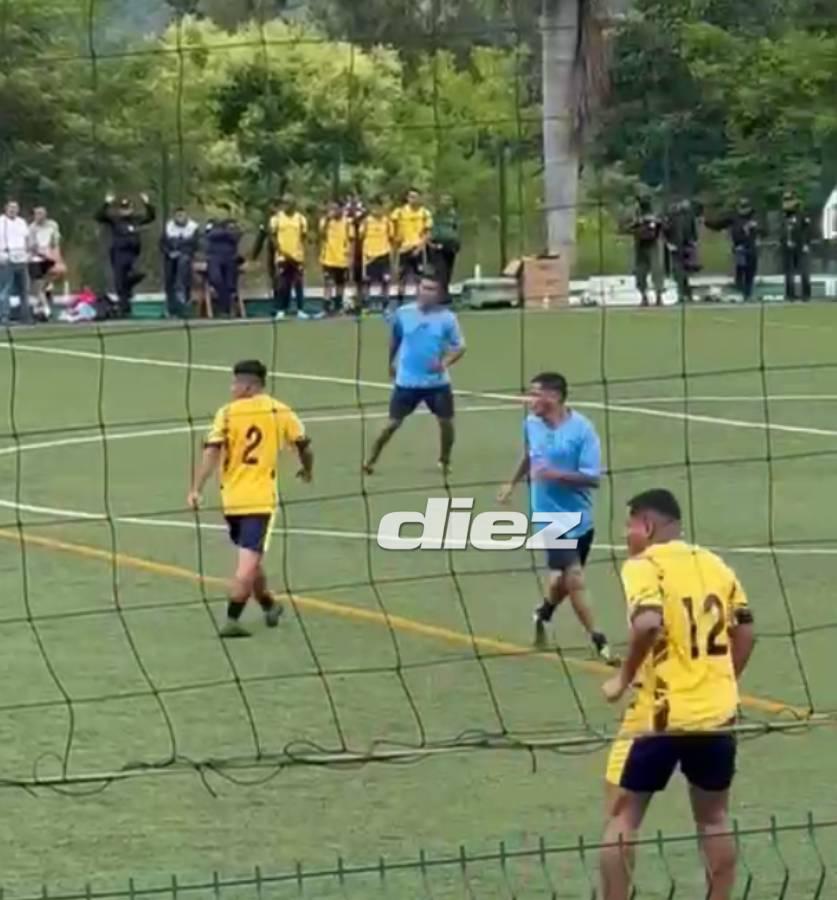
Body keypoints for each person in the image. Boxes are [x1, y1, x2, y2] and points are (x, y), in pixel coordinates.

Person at [599, 489, 755, 900]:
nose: (626, 534)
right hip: (716, 717)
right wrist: (723, 683)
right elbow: (746, 630)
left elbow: (648, 623)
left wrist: (623, 677)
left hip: (659, 716)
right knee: (714, 818)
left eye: (630, 525)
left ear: (647, 525)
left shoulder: (644, 565)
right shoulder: (715, 564)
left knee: (622, 816)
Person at [187, 359, 314, 639]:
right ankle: (262, 607)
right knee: (249, 561)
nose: (232, 388)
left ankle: (239, 615)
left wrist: (196, 488)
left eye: (235, 383)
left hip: (235, 500)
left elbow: (211, 452)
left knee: (247, 561)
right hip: (257, 500)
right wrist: (307, 469)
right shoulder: (280, 411)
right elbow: (304, 445)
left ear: (249, 385)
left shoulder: (226, 413)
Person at [497, 372, 613, 662]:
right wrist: (511, 483)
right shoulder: (531, 424)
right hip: (548, 516)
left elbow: (593, 479)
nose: (530, 400)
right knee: (575, 578)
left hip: (579, 516)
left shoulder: (583, 430)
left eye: (535, 394)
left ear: (555, 397)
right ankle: (599, 640)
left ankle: (544, 611)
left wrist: (554, 475)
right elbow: (530, 454)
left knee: (562, 579)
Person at [363, 275, 465, 476]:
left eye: (432, 289)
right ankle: (371, 459)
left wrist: (444, 363)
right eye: (425, 288)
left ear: (439, 294)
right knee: (391, 424)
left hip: (437, 384)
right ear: (418, 290)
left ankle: (445, 460)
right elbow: (395, 339)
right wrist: (390, 363)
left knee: (446, 424)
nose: (427, 293)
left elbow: (460, 346)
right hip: (407, 382)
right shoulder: (403, 313)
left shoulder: (448, 318)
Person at [95, 193, 156, 317]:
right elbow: (99, 216)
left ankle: (125, 300)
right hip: (119, 253)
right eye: (123, 208)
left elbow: (151, 217)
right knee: (120, 281)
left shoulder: (136, 220)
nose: (125, 211)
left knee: (135, 275)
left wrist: (147, 204)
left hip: (133, 254)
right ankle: (124, 307)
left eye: (127, 208)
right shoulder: (116, 220)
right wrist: (106, 203)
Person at [705, 199, 760, 302]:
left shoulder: (754, 217)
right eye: (741, 207)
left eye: (745, 207)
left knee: (750, 272)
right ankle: (741, 292)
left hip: (751, 248)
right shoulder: (734, 217)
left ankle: (748, 294)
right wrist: (707, 222)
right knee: (740, 271)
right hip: (739, 248)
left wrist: (756, 227)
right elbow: (718, 225)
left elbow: (764, 230)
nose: (742, 210)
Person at [391, 188, 433, 307]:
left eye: (415, 197)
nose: (413, 199)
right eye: (410, 197)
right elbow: (393, 230)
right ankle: (399, 302)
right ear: (407, 198)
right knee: (400, 276)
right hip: (404, 249)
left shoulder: (425, 213)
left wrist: (419, 247)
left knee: (421, 276)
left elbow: (427, 233)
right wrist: (396, 243)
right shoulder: (399, 212)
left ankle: (422, 302)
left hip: (419, 248)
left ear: (419, 198)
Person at [270, 195, 308, 319]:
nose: (285, 205)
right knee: (282, 284)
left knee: (298, 283)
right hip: (282, 256)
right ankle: (281, 309)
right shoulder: (276, 219)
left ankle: (300, 310)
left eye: (288, 203)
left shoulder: (301, 219)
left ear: (293, 204)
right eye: (284, 203)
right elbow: (273, 236)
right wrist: (280, 250)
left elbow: (303, 237)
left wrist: (301, 253)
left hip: (297, 256)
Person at [160, 207, 199, 318]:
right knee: (169, 282)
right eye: (178, 215)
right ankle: (171, 309)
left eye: (182, 215)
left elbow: (195, 245)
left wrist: (182, 252)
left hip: (185, 258)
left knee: (183, 281)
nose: (180, 218)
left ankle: (183, 306)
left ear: (186, 216)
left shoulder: (193, 227)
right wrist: (169, 252)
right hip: (170, 258)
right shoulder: (168, 227)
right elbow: (162, 244)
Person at [203, 206, 243, 317]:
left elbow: (236, 236)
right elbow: (209, 236)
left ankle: (226, 308)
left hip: (230, 258)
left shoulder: (233, 224)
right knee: (216, 279)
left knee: (230, 282)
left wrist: (224, 233)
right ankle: (224, 305)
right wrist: (226, 233)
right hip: (214, 258)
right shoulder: (211, 224)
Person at [358, 195, 394, 312]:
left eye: (379, 207)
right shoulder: (366, 221)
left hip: (384, 254)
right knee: (367, 281)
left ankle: (385, 305)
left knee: (386, 280)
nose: (376, 210)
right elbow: (361, 236)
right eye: (374, 207)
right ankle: (366, 306)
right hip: (369, 255)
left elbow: (391, 237)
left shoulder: (387, 221)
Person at [0, 200, 33, 325]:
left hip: (22, 258)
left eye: (15, 208)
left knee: (24, 289)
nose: (13, 210)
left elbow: (27, 239)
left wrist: (28, 254)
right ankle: (4, 316)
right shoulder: (1, 222)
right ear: (6, 209)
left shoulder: (21, 222)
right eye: (11, 207)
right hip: (7, 258)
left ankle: (25, 316)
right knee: (6, 289)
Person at [28, 205, 64, 316]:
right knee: (37, 285)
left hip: (50, 257)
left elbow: (56, 242)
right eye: (36, 214)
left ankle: (41, 303)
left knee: (52, 277)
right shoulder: (32, 228)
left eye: (41, 214)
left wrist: (57, 258)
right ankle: (45, 308)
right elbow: (31, 246)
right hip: (36, 259)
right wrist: (42, 254)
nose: (39, 216)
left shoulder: (52, 225)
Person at [627, 197, 663, 306]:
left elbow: (660, 226)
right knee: (641, 273)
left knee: (654, 271)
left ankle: (657, 297)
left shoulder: (651, 219)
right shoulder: (638, 219)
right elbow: (628, 228)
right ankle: (646, 297)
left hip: (651, 246)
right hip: (642, 246)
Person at [319, 200, 353, 316]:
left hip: (342, 259)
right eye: (331, 208)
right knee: (328, 283)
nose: (333, 211)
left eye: (336, 208)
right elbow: (321, 235)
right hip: (328, 258)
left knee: (340, 284)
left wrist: (350, 256)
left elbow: (351, 240)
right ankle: (326, 308)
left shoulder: (347, 222)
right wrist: (327, 220)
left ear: (341, 209)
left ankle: (339, 307)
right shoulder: (325, 221)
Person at [779, 191, 813, 301]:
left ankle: (806, 295)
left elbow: (808, 230)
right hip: (788, 248)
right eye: (785, 201)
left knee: (804, 271)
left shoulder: (802, 215)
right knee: (789, 273)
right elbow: (781, 231)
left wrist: (806, 243)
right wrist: (784, 242)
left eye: (789, 200)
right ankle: (790, 295)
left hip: (801, 247)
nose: (787, 203)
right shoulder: (783, 216)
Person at [663, 200, 698, 303]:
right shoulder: (672, 216)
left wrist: (694, 242)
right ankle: (682, 294)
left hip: (687, 246)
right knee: (679, 271)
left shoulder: (689, 216)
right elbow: (666, 230)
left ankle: (686, 293)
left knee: (685, 271)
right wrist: (669, 243)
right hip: (676, 246)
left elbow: (693, 230)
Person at [428, 194, 461, 303]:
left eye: (448, 200)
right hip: (438, 245)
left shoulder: (454, 215)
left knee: (448, 271)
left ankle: (445, 293)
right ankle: (439, 295)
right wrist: (432, 243)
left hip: (451, 246)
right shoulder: (435, 215)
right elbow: (429, 230)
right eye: (444, 200)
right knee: (440, 270)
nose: (446, 202)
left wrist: (457, 243)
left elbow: (456, 229)